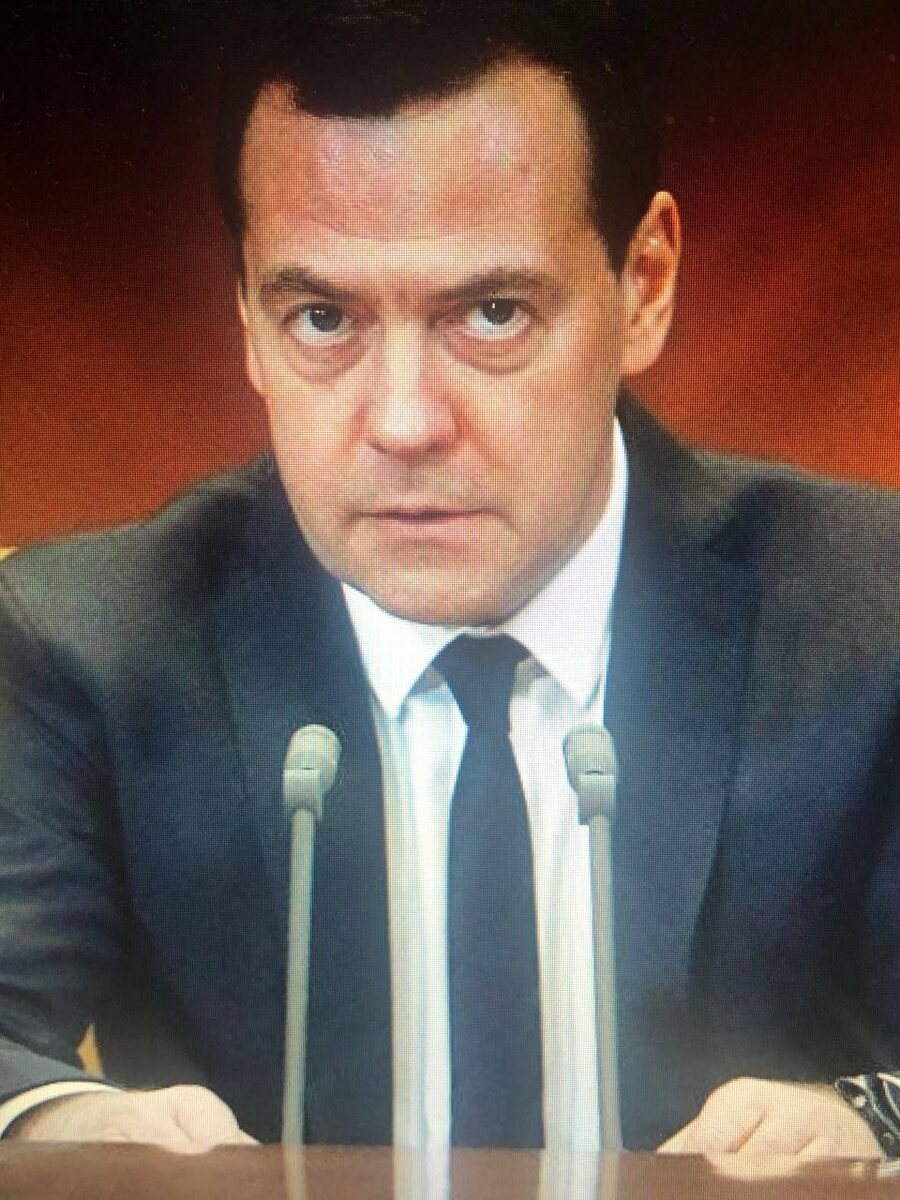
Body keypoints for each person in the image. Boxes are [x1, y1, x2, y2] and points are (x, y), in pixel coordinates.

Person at [1, 0, 899, 1162]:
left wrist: (871, 1123)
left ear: (645, 283)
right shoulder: (85, 641)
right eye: (322, 318)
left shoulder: (874, 613)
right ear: (247, 318)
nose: (406, 423)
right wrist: (63, 1128)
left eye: (492, 312)